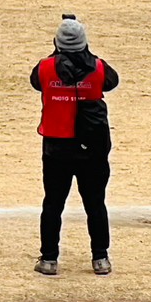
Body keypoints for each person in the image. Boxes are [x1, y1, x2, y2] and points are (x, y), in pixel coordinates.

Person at [31, 15, 119, 277]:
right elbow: (112, 81)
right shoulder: (99, 68)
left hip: (57, 146)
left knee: (53, 203)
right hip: (91, 147)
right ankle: (100, 258)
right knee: (95, 204)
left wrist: (58, 52)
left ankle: (49, 259)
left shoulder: (46, 68)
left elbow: (36, 81)